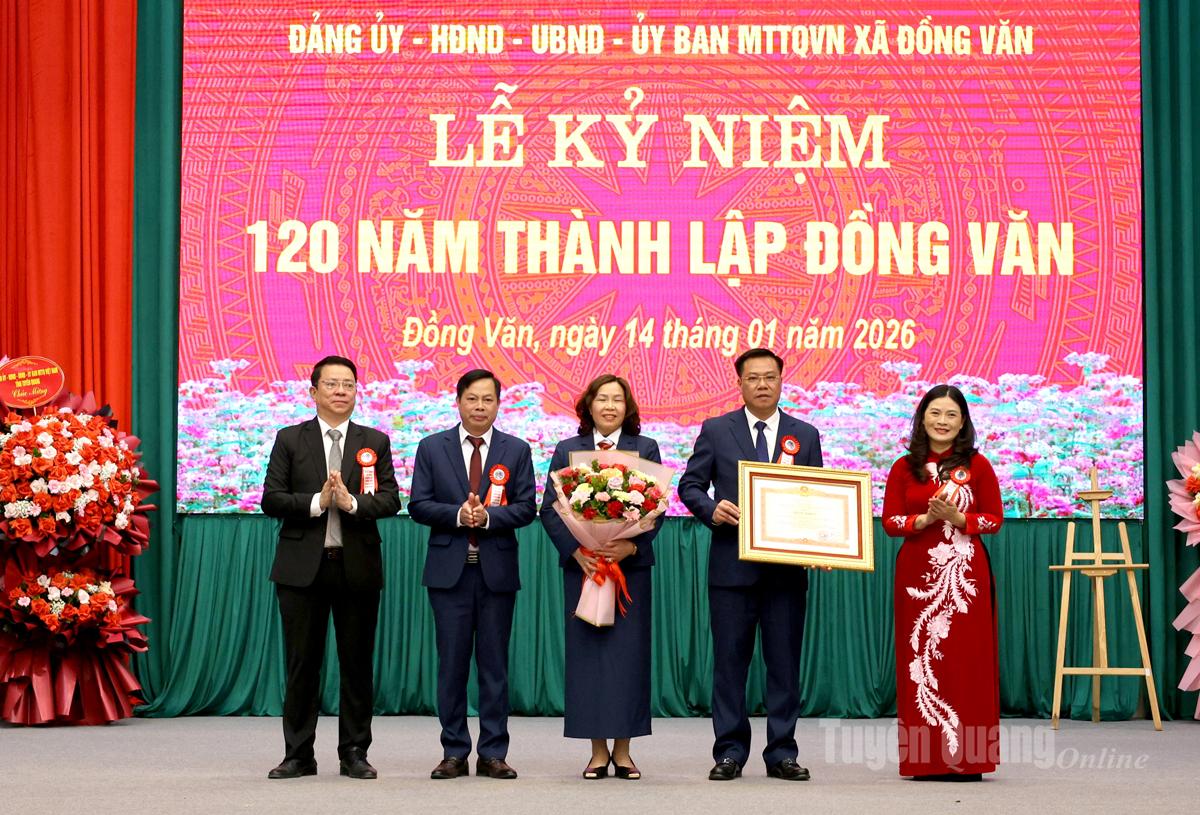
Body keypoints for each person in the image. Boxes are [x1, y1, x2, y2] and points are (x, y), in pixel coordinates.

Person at [679, 348, 822, 782]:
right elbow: (690, 485)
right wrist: (711, 508)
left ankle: (782, 753)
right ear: (739, 383)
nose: (762, 384)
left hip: (785, 573)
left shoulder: (805, 434)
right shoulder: (716, 429)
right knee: (729, 666)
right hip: (731, 570)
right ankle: (729, 752)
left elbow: (817, 497)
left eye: (770, 377)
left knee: (784, 667)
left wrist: (824, 544)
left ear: (781, 381)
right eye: (753, 378)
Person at [261, 355, 401, 780]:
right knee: (302, 663)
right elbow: (271, 499)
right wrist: (318, 502)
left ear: (356, 392)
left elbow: (391, 500)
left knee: (356, 664)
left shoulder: (374, 441)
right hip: (302, 569)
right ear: (314, 392)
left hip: (356, 567)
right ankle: (298, 754)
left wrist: (351, 503)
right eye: (332, 384)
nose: (341, 391)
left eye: (349, 385)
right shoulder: (290, 439)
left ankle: (354, 752)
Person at [409, 369, 537, 780]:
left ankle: (493, 752)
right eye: (472, 399)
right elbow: (418, 504)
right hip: (449, 575)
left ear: (498, 404)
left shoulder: (516, 450)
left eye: (488, 399)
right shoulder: (432, 447)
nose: (480, 406)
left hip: (496, 573)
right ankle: (454, 752)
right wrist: (458, 515)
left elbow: (527, 508)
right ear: (458, 402)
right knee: (452, 666)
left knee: (494, 666)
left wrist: (488, 518)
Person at [540, 374, 664, 780]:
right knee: (589, 658)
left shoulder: (645, 448)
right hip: (586, 570)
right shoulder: (568, 449)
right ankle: (596, 752)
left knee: (628, 659)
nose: (610, 406)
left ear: (628, 408)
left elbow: (657, 508)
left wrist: (631, 547)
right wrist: (578, 551)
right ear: (589, 405)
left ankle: (624, 752)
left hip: (629, 572)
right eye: (602, 399)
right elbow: (549, 509)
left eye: (617, 400)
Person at [881, 384, 1003, 781]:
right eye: (935, 413)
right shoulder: (903, 467)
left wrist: (959, 518)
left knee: (968, 663)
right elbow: (890, 522)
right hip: (917, 575)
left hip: (966, 576)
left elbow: (994, 519)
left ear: (963, 421)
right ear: (922, 418)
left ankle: (970, 760)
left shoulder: (978, 466)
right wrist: (925, 519)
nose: (943, 421)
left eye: (951, 415)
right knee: (921, 660)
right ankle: (924, 760)